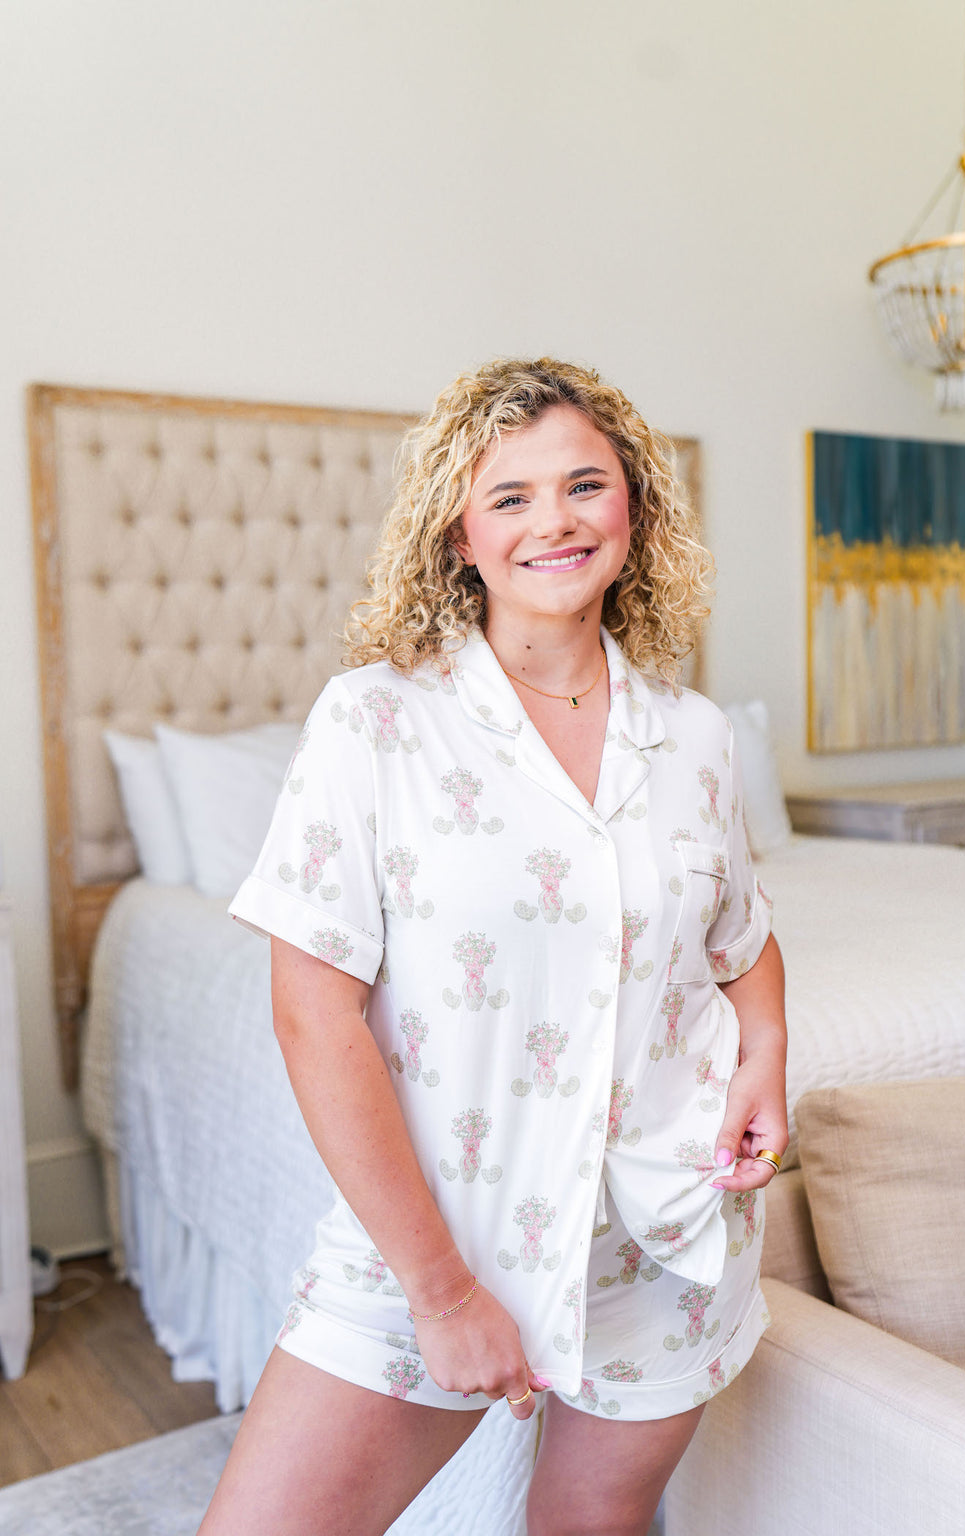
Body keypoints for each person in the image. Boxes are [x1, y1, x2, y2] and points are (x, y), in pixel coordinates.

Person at [199, 357, 788, 1536]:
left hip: (662, 1229)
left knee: (594, 1523)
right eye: (510, 497)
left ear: (634, 513)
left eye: (585, 485)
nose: (555, 521)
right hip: (443, 1233)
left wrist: (766, 1057)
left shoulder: (695, 736)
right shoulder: (375, 722)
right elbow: (310, 1016)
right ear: (458, 537)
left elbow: (740, 940)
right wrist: (442, 1291)